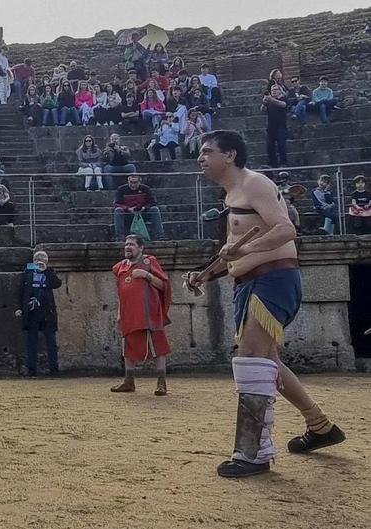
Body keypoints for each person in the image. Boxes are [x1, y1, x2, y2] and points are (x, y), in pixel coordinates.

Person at [188, 130, 345, 478]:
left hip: (271, 281)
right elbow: (233, 251)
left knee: (250, 362)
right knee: (268, 362)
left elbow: (285, 230)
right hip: (253, 283)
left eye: (207, 151)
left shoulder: (255, 183)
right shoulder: (233, 193)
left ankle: (253, 453)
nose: (201, 158)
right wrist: (205, 274)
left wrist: (242, 251)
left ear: (229, 155)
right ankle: (320, 427)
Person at [111, 235, 171, 395]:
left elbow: (163, 285)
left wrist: (147, 276)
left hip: (149, 312)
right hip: (128, 313)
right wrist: (119, 312)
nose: (127, 247)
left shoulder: (149, 262)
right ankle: (128, 381)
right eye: (126, 244)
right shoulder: (120, 267)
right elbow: (120, 293)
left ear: (141, 247)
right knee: (128, 346)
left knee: (157, 347)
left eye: (131, 244)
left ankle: (161, 383)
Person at [15, 251, 62, 377]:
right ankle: (31, 369)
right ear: (34, 261)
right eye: (38, 260)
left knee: (51, 341)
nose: (41, 262)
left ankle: (54, 369)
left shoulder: (49, 273)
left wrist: (47, 271)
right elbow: (20, 292)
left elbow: (57, 284)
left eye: (44, 260)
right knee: (32, 341)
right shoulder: (27, 274)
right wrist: (19, 308)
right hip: (32, 312)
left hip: (47, 312)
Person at [113, 174, 164, 241]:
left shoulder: (146, 189)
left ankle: (159, 235)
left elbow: (153, 202)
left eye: (135, 183)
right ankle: (119, 237)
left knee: (155, 209)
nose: (133, 185)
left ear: (140, 182)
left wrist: (144, 208)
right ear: (128, 181)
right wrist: (128, 209)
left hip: (142, 214)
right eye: (131, 182)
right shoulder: (121, 189)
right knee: (118, 210)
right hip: (128, 214)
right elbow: (116, 204)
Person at [262, 84, 288, 168]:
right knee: (269, 146)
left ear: (280, 91)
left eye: (276, 89)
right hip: (270, 127)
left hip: (280, 126)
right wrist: (264, 102)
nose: (273, 91)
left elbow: (283, 105)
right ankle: (273, 163)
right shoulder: (270, 101)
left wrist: (271, 99)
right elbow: (262, 110)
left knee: (281, 145)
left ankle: (283, 163)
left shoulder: (282, 98)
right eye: (272, 90)